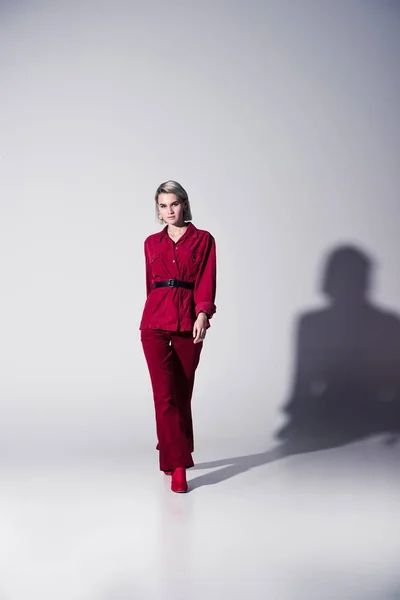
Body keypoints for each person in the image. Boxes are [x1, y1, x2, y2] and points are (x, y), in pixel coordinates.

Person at [139, 180, 217, 493]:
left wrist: (203, 315)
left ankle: (171, 453)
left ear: (183, 204)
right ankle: (179, 466)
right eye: (162, 206)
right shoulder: (150, 243)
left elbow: (206, 279)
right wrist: (151, 315)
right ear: (157, 210)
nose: (169, 211)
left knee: (182, 393)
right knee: (163, 395)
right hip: (154, 323)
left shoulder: (203, 240)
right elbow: (150, 286)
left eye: (174, 204)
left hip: (188, 321)